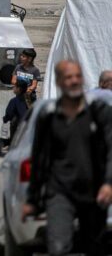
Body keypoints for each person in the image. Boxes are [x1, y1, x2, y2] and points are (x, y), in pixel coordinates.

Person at [22, 60, 112, 256]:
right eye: (68, 77)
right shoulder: (49, 116)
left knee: (94, 247)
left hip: (94, 194)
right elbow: (40, 159)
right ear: (59, 82)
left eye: (77, 76)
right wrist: (33, 199)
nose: (74, 81)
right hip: (59, 192)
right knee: (58, 246)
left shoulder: (99, 112)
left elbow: (110, 150)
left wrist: (108, 183)